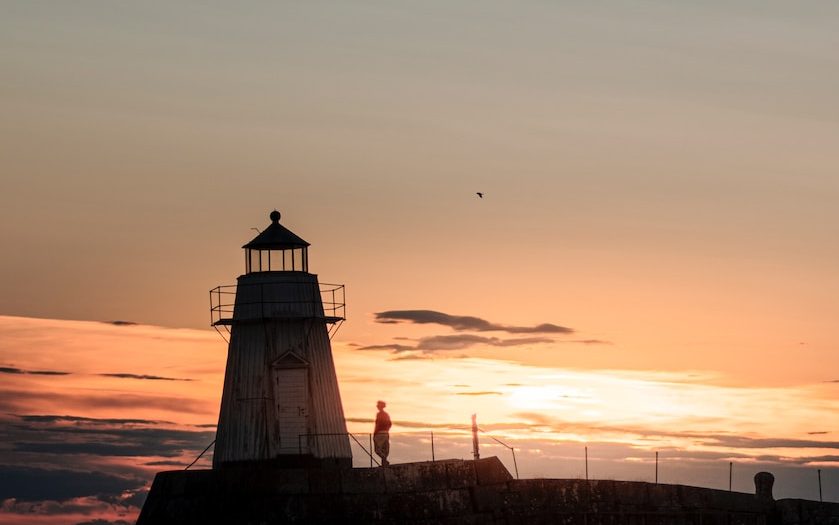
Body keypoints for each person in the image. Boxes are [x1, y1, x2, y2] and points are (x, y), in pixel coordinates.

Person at [373, 400, 391, 466]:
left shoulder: (379, 414)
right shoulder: (386, 414)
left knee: (377, 449)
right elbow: (390, 424)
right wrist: (387, 430)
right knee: (385, 449)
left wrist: (375, 433)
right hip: (386, 433)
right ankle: (384, 463)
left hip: (379, 433)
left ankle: (384, 461)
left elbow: (377, 424)